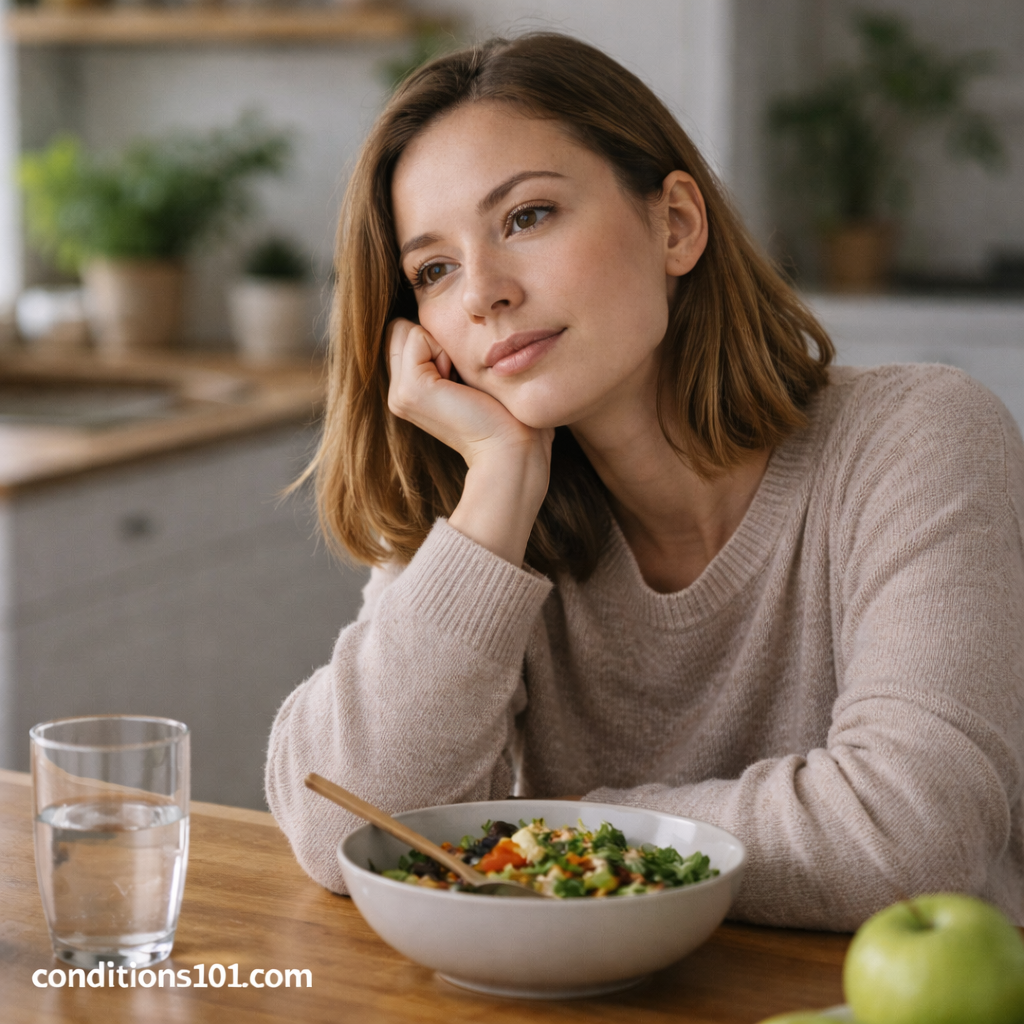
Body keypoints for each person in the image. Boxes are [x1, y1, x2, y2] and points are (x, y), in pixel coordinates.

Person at [265, 33, 1024, 930]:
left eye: (527, 217)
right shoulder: (484, 515)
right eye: (434, 270)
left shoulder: (916, 436)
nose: (484, 293)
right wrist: (501, 485)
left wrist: (529, 842)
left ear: (676, 225)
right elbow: (340, 824)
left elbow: (908, 834)